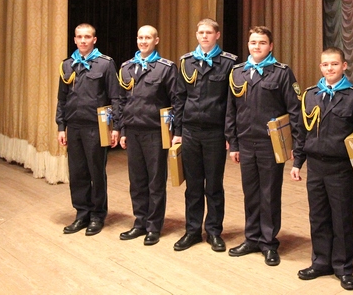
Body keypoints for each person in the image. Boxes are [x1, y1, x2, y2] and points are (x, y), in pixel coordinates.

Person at [291, 47, 353, 291]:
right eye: (325, 64)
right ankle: (321, 261)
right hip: (315, 166)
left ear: (344, 66)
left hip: (340, 167)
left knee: (342, 217)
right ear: (320, 67)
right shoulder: (310, 95)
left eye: (334, 64)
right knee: (318, 216)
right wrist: (297, 162)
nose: (329, 68)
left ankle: (343, 267)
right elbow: (302, 131)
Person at [225, 26, 301, 267]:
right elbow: (231, 110)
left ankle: (268, 242)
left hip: (271, 144)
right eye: (253, 42)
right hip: (246, 142)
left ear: (271, 46)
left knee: (269, 194)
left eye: (262, 42)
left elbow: (295, 110)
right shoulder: (237, 72)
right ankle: (251, 238)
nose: (256, 46)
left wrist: (295, 144)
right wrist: (233, 143)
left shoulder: (282, 73)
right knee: (250, 193)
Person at [172, 18, 238, 253]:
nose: (204, 36)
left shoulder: (229, 63)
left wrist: (230, 135)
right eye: (201, 32)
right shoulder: (186, 62)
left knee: (214, 185)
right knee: (193, 185)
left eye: (209, 32)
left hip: (215, 133)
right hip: (190, 131)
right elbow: (179, 98)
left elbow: (231, 103)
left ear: (217, 35)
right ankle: (192, 230)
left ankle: (213, 231)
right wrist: (177, 131)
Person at [113, 25, 178, 246]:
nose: (143, 41)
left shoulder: (166, 68)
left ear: (156, 40)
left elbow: (176, 101)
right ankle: (139, 222)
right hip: (133, 131)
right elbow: (121, 101)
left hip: (155, 132)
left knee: (155, 182)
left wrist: (173, 132)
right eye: (140, 37)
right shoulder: (126, 67)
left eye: (148, 37)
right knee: (137, 181)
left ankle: (153, 226)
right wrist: (122, 130)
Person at [56, 23, 120, 236]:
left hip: (96, 127)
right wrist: (61, 126)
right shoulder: (67, 65)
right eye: (79, 37)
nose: (83, 40)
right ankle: (81, 213)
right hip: (74, 126)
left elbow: (115, 97)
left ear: (94, 39)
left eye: (87, 37)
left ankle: (97, 215)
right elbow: (62, 98)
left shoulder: (105, 64)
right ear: (74, 40)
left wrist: (115, 127)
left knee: (96, 172)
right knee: (77, 173)